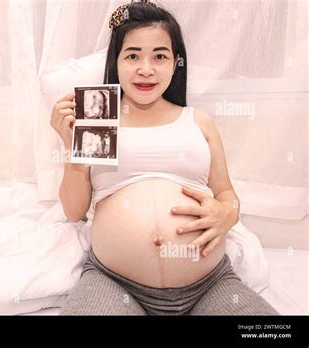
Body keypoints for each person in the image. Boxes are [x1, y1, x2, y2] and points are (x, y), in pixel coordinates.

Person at [49, 0, 278, 315]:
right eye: (132, 56)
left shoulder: (199, 122)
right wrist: (72, 148)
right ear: (116, 62)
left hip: (209, 284)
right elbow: (74, 211)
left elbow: (226, 194)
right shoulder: (100, 117)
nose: (146, 69)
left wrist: (227, 213)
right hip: (115, 282)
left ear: (176, 63)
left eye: (160, 56)